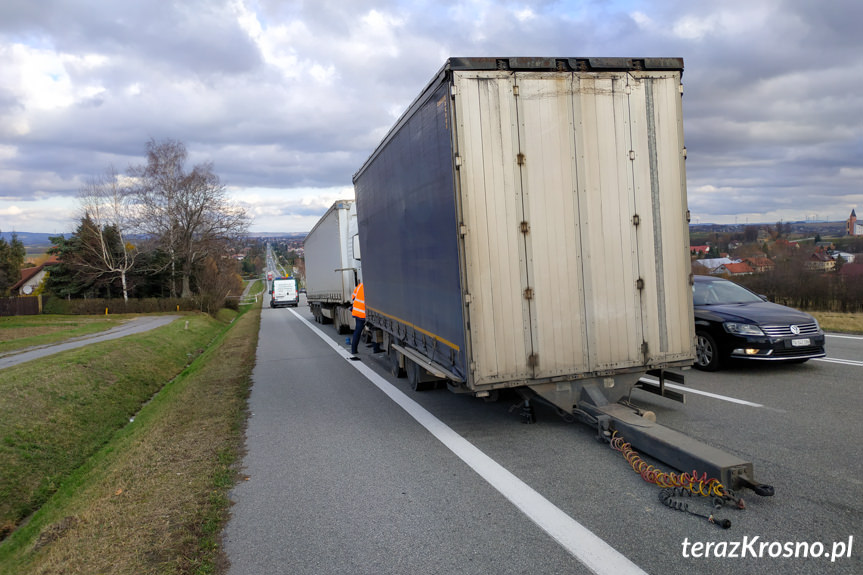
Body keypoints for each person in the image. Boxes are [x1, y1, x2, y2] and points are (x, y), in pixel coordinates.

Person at [350, 282, 380, 359]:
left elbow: (353, 296)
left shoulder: (360, 285)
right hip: (365, 313)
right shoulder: (372, 286)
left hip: (357, 312)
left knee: (357, 331)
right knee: (374, 329)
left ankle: (353, 350)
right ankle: (376, 349)